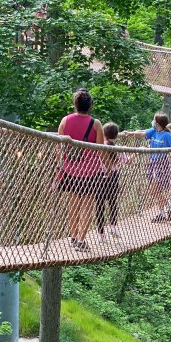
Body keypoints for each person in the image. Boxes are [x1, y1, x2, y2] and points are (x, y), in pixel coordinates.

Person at [57, 89, 104, 251]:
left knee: (73, 204)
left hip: (70, 170)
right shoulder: (96, 124)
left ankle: (73, 236)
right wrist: (106, 167)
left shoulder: (65, 121)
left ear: (75, 104)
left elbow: (59, 147)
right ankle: (81, 240)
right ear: (90, 105)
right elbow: (101, 148)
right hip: (91, 172)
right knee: (87, 206)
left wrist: (61, 166)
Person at [122, 113, 171, 223]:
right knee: (155, 190)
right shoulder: (153, 131)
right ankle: (165, 211)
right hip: (152, 163)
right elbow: (141, 134)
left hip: (161, 164)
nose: (152, 122)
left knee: (155, 190)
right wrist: (130, 133)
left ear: (158, 123)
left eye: (154, 120)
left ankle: (167, 209)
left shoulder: (167, 135)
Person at [95, 122, 130, 242]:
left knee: (100, 205)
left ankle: (101, 234)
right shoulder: (118, 148)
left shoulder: (98, 147)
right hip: (114, 177)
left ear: (103, 134)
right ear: (116, 135)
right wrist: (136, 152)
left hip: (99, 177)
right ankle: (113, 227)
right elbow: (127, 162)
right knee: (113, 202)